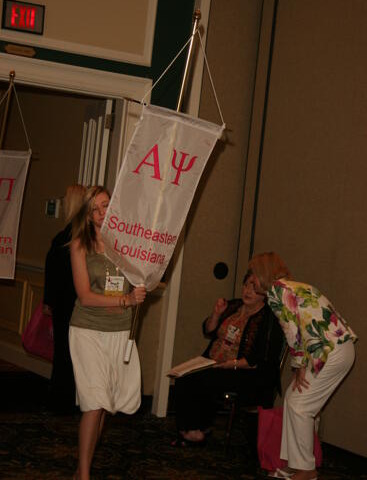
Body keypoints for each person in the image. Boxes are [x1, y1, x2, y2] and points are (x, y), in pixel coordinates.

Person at [247, 252, 357, 480]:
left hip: (331, 352)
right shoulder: (294, 287)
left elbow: (292, 332)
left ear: (263, 274)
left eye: (254, 275)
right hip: (337, 349)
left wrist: (298, 366)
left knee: (299, 405)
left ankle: (306, 470)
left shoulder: (277, 291)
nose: (252, 280)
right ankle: (293, 463)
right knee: (292, 398)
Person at [69, 185, 146, 480]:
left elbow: (138, 284)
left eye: (106, 206)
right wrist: (125, 299)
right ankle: (85, 477)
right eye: (95, 210)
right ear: (88, 216)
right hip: (87, 330)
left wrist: (139, 291)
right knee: (95, 402)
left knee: (103, 408)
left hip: (118, 332)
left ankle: (80, 471)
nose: (102, 214)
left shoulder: (127, 246)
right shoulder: (80, 246)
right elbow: (85, 296)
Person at [172, 273, 285, 446]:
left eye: (254, 288)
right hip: (213, 362)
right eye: (246, 285)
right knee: (183, 375)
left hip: (244, 371)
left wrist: (229, 364)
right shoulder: (234, 305)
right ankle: (195, 428)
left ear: (264, 292)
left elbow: (260, 358)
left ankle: (196, 429)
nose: (247, 291)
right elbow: (208, 330)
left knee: (202, 379)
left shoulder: (268, 319)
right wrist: (216, 314)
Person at [43, 183, 86, 414]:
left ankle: (61, 399)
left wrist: (48, 301)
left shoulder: (66, 237)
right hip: (78, 304)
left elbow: (52, 272)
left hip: (67, 304)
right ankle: (68, 399)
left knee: (64, 353)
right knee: (73, 354)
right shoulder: (82, 237)